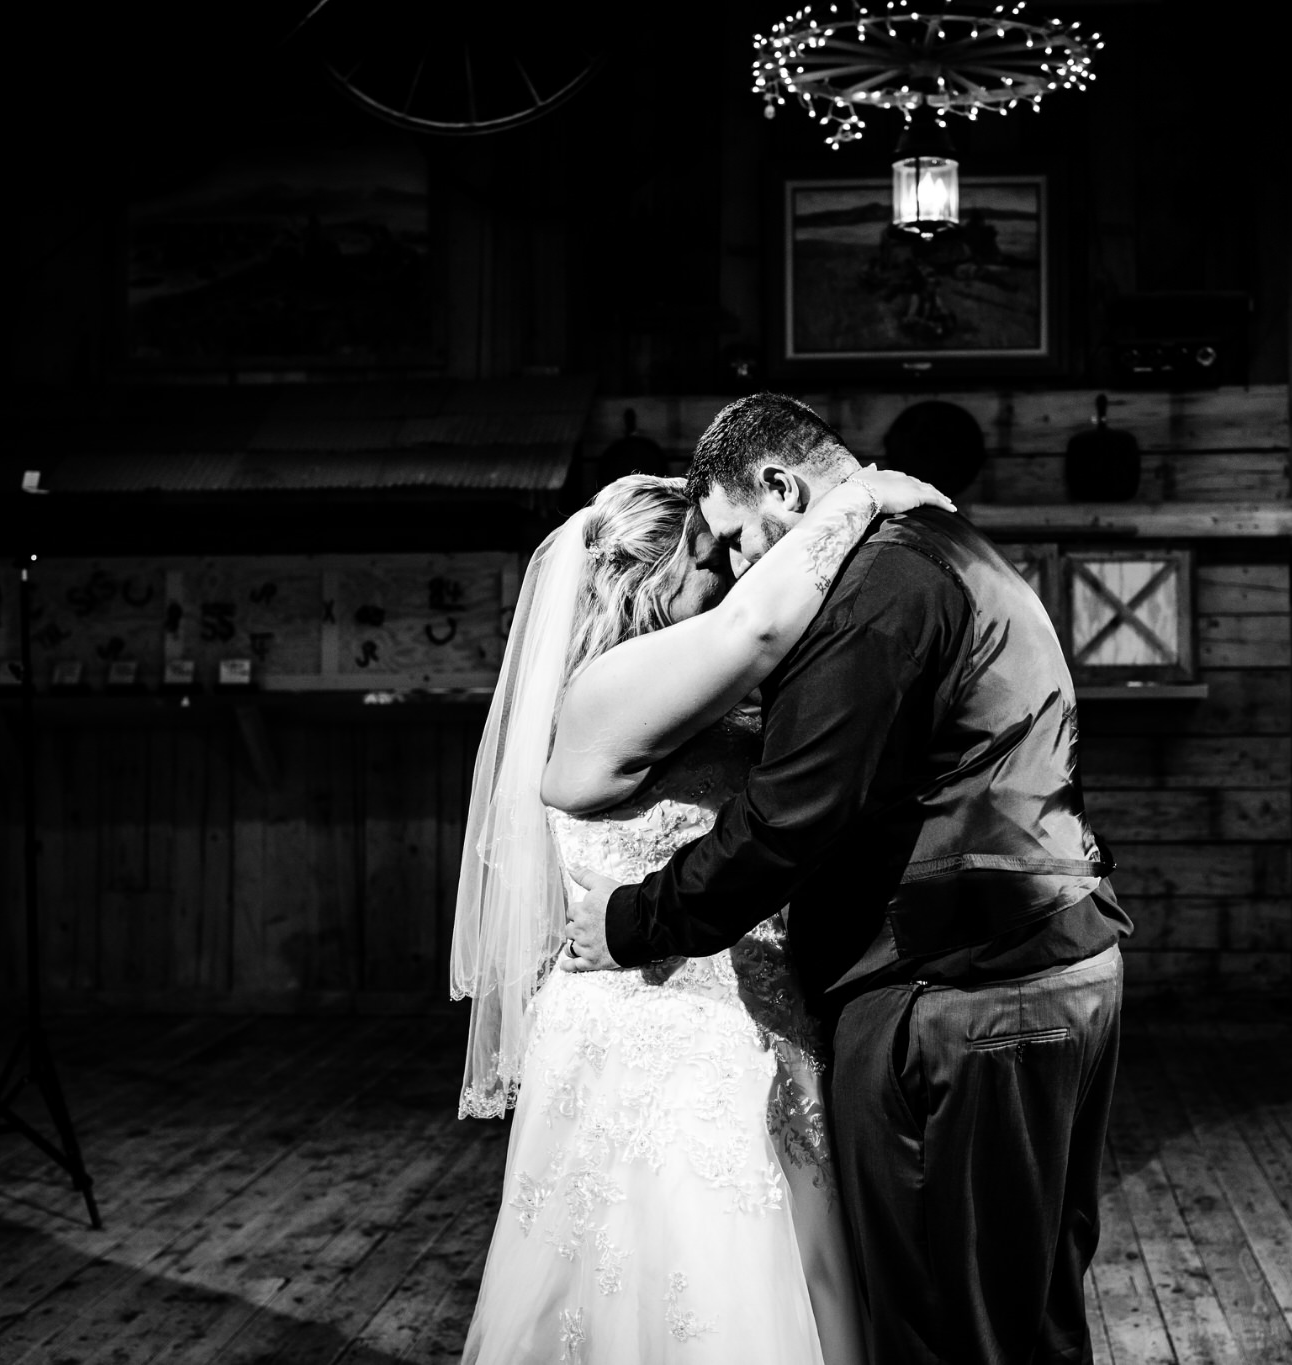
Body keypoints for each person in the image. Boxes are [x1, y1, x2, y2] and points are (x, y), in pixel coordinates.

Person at [564, 393, 1131, 1365]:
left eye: (737, 539)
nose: (741, 574)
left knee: (935, 1322)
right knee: (1028, 1311)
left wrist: (630, 922)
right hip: (1053, 954)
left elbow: (789, 820)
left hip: (952, 983)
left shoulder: (872, 589)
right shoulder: (949, 547)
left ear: (781, 485)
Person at [455, 465, 956, 1364]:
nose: (732, 571)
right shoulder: (605, 694)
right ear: (656, 576)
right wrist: (855, 498)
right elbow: (754, 628)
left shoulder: (696, 692)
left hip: (749, 1012)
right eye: (713, 557)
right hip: (666, 1032)